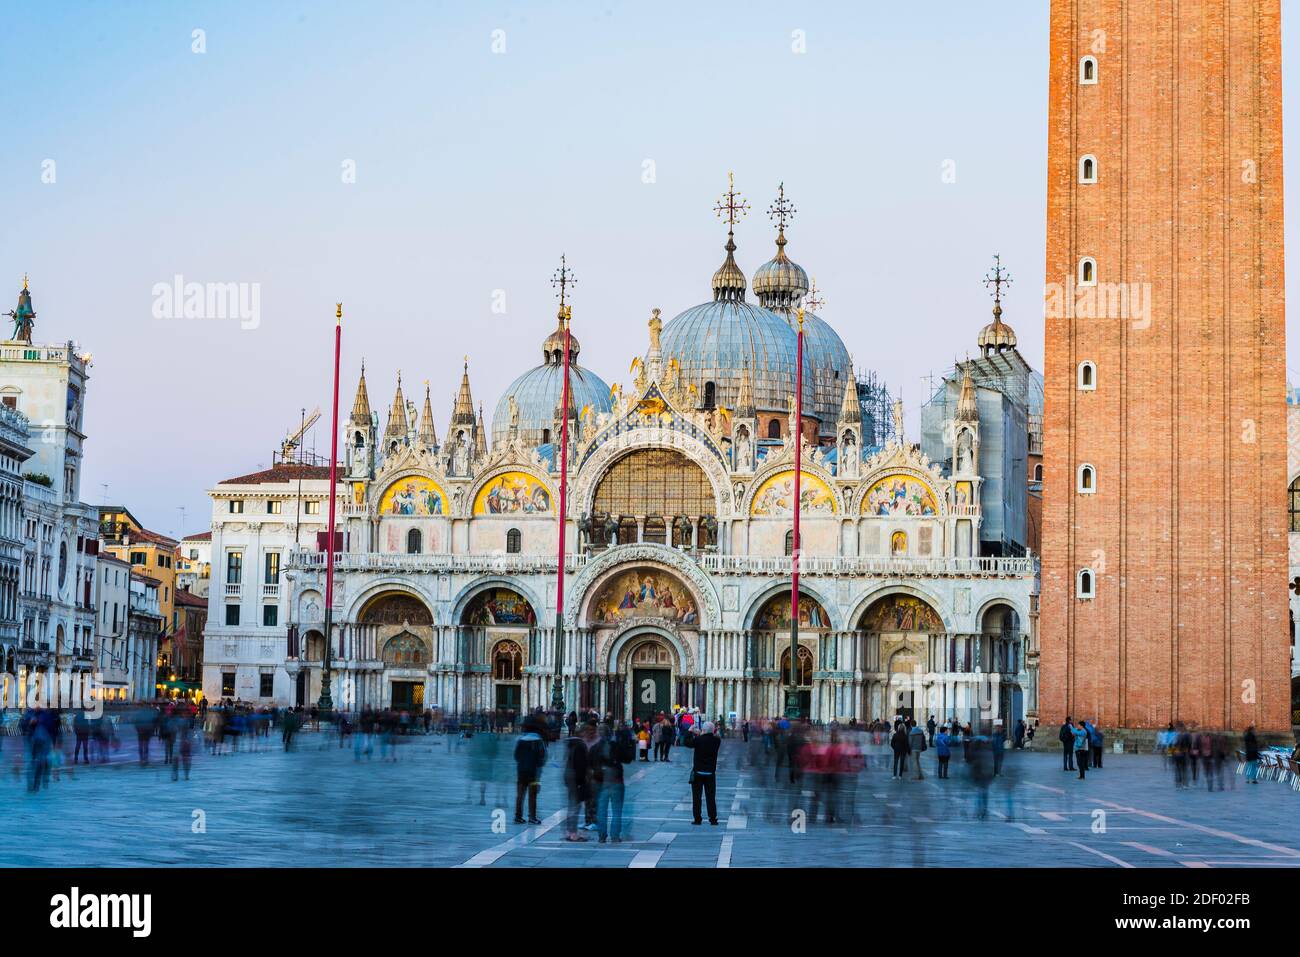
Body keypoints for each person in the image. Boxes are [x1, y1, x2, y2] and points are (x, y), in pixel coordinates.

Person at [590, 722, 634, 842]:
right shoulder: (616, 745)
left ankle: (602, 836)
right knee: (617, 810)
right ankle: (615, 836)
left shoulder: (594, 748)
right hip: (616, 780)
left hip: (601, 782)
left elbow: (589, 764)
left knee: (601, 810)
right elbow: (628, 759)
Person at [683, 720, 721, 825]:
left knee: (697, 797)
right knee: (711, 797)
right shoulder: (716, 741)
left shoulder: (698, 740)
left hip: (698, 772)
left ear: (703, 730)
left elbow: (687, 742)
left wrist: (690, 731)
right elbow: (715, 736)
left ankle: (697, 819)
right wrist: (704, 732)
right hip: (710, 773)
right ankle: (713, 818)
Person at [563, 722, 596, 841]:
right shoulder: (580, 745)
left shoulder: (572, 743)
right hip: (576, 779)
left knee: (572, 805)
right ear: (582, 733)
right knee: (575, 806)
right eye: (587, 732)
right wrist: (583, 781)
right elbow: (581, 765)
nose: (589, 735)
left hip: (570, 777)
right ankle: (572, 833)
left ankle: (570, 831)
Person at [513, 717, 547, 824]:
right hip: (534, 772)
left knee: (520, 795)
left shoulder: (520, 740)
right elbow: (543, 757)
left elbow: (516, 756)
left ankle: (518, 816)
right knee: (532, 795)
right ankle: (532, 817)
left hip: (521, 772)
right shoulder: (539, 741)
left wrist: (523, 762)